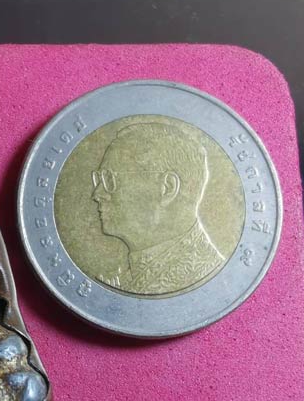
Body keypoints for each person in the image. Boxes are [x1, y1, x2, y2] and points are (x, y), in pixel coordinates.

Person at [91, 121, 225, 294]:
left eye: (109, 179)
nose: (97, 194)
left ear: (167, 188)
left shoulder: (202, 274)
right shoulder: (129, 279)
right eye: (100, 179)